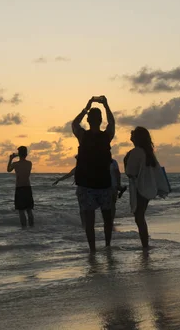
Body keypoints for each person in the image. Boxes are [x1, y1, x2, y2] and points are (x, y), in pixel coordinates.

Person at [72, 95, 115, 253]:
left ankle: (93, 251)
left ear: (89, 120)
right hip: (103, 184)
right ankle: (108, 245)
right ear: (100, 120)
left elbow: (74, 123)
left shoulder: (83, 136)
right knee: (107, 220)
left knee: (90, 221)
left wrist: (86, 108)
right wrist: (106, 105)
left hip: (86, 185)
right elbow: (112, 123)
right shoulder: (106, 136)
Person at [52, 156, 126, 228]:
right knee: (86, 208)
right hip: (91, 189)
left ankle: (105, 222)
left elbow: (115, 174)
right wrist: (59, 180)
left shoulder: (110, 162)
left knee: (107, 205)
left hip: (104, 187)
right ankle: (85, 224)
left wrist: (117, 184)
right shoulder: (83, 166)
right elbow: (70, 174)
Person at [124, 127, 160, 249]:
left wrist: (125, 160)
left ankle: (145, 245)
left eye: (133, 134)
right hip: (148, 187)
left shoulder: (136, 152)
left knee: (139, 217)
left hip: (139, 187)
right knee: (141, 216)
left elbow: (130, 172)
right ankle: (145, 244)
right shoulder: (148, 152)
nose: (131, 136)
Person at [7, 146, 34, 228]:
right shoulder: (29, 163)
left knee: (21, 210)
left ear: (19, 154)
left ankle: (24, 229)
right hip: (27, 188)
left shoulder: (16, 164)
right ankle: (32, 228)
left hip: (19, 188)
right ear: (26, 154)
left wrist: (11, 159)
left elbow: (8, 169)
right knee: (29, 210)